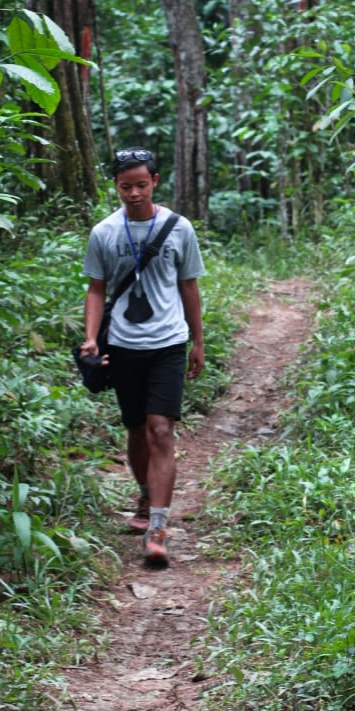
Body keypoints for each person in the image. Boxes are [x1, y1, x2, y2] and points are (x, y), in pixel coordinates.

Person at [80, 147, 205, 566]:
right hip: (123, 345)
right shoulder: (104, 233)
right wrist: (91, 339)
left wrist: (197, 341)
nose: (133, 193)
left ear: (154, 182)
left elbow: (189, 285)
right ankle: (147, 494)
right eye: (124, 186)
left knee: (160, 431)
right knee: (135, 431)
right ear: (115, 187)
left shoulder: (178, 228)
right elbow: (96, 289)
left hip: (168, 342)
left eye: (140, 185)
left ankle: (158, 527)